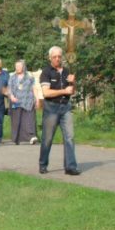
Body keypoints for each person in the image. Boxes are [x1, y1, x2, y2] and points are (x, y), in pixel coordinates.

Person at [39, 46, 80, 175]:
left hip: (66, 107)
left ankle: (70, 166)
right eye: (54, 57)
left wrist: (73, 83)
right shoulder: (46, 72)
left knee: (70, 137)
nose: (57, 59)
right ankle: (43, 164)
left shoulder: (67, 71)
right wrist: (63, 91)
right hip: (51, 107)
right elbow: (46, 93)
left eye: (59, 56)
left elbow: (72, 91)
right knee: (47, 138)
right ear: (50, 58)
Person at [8, 60, 40, 145]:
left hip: (28, 101)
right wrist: (12, 97)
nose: (18, 68)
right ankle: (16, 139)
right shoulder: (12, 77)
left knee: (29, 119)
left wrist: (37, 99)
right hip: (16, 101)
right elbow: (9, 89)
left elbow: (34, 88)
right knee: (16, 120)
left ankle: (32, 137)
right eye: (16, 66)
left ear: (23, 67)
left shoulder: (29, 77)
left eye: (19, 66)